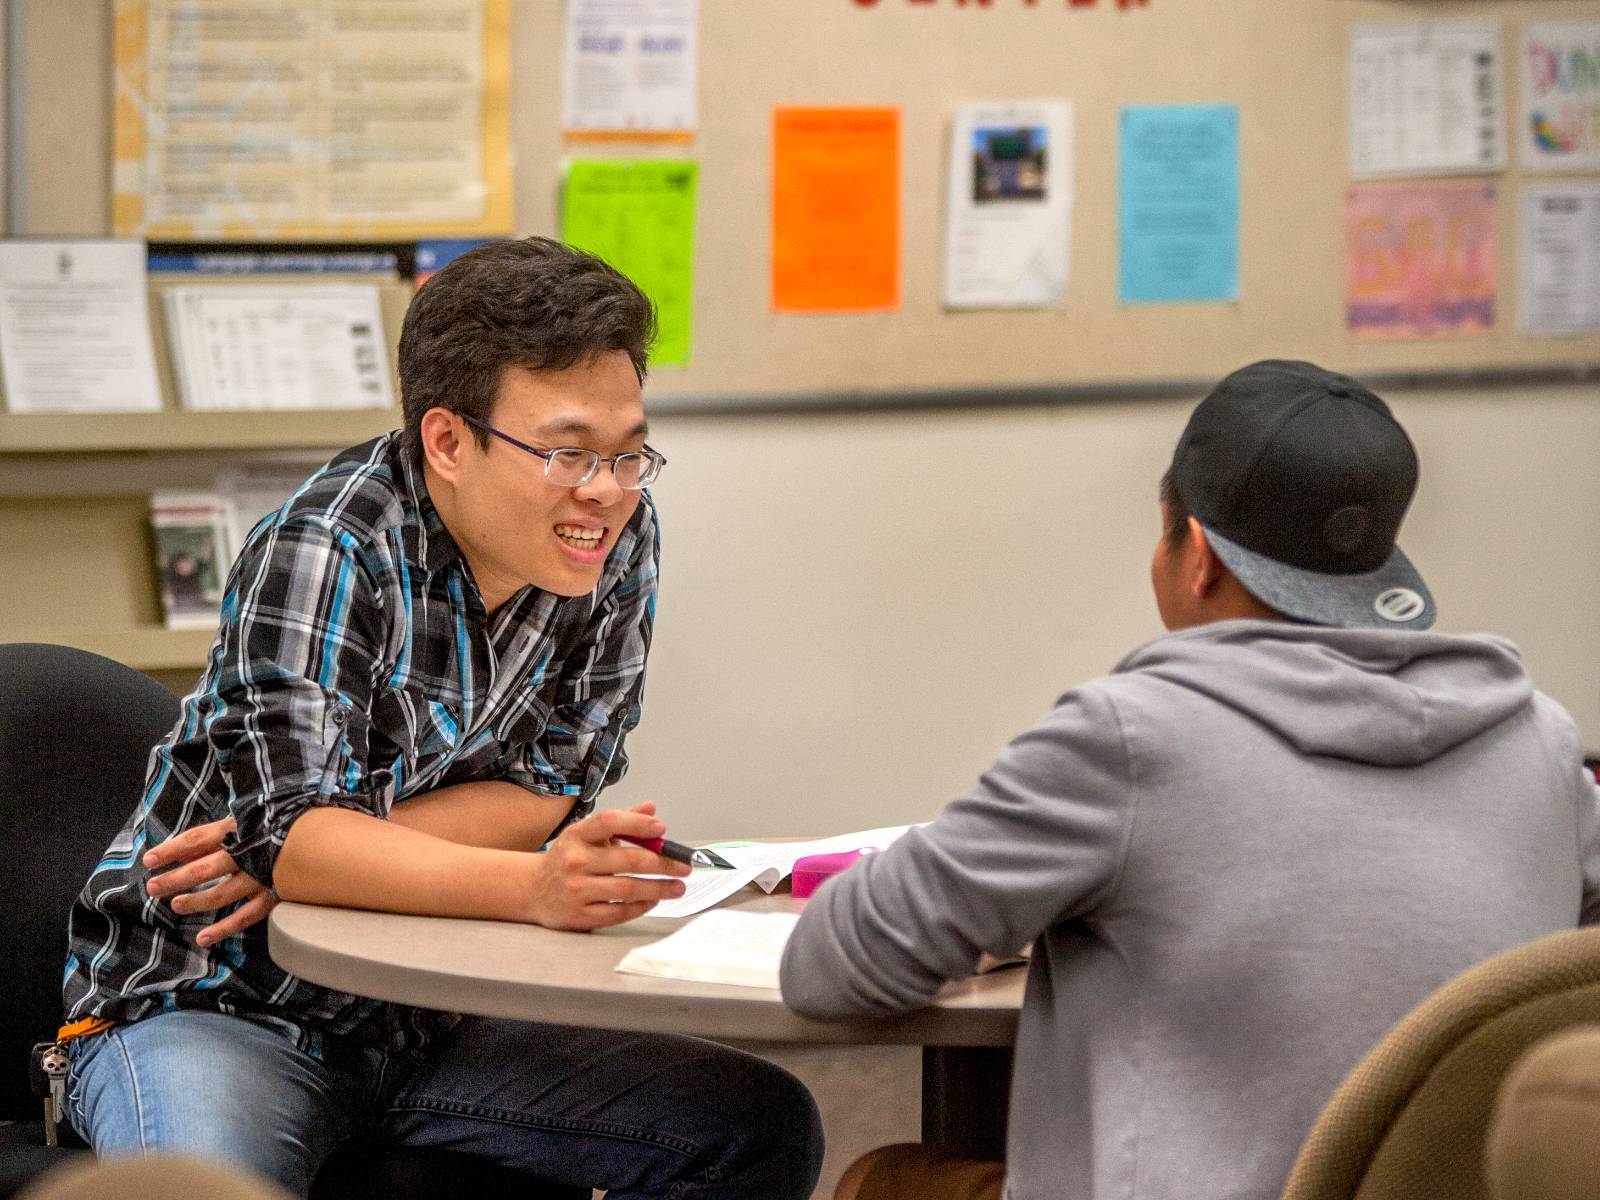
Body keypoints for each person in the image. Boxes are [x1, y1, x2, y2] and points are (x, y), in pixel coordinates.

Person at [59, 237, 823, 1200]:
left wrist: (336, 863)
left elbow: (550, 786)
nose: (607, 490)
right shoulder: (327, 544)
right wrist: (514, 886)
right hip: (217, 1001)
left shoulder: (613, 541)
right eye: (568, 453)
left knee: (751, 1126)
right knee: (200, 1190)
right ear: (448, 441)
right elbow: (299, 835)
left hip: (432, 1009)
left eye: (631, 454)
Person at [781, 359, 1600, 1200]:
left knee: (884, 1180)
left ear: (1197, 554)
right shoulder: (1543, 741)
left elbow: (832, 966)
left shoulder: (1130, 741)